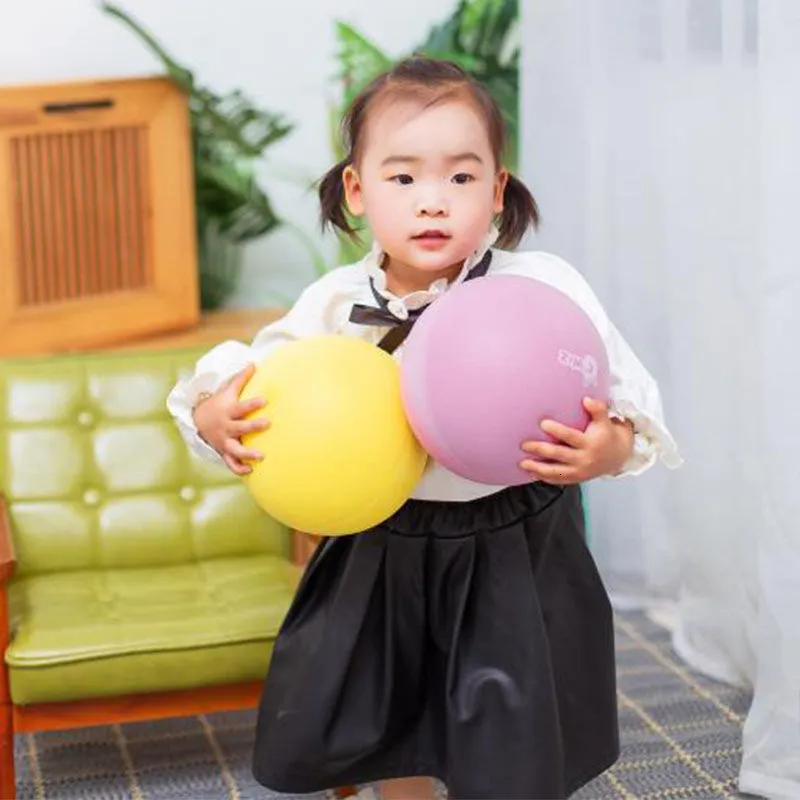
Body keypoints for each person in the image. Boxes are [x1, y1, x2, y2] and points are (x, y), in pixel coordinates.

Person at [167, 57, 682, 800]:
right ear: (357, 189)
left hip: (514, 544)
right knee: (395, 722)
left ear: (498, 189)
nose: (432, 203)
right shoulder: (335, 305)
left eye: (461, 178)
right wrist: (216, 414)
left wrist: (609, 447)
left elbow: (627, 406)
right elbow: (249, 383)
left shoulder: (542, 290)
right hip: (382, 545)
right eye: (403, 178)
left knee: (509, 735)